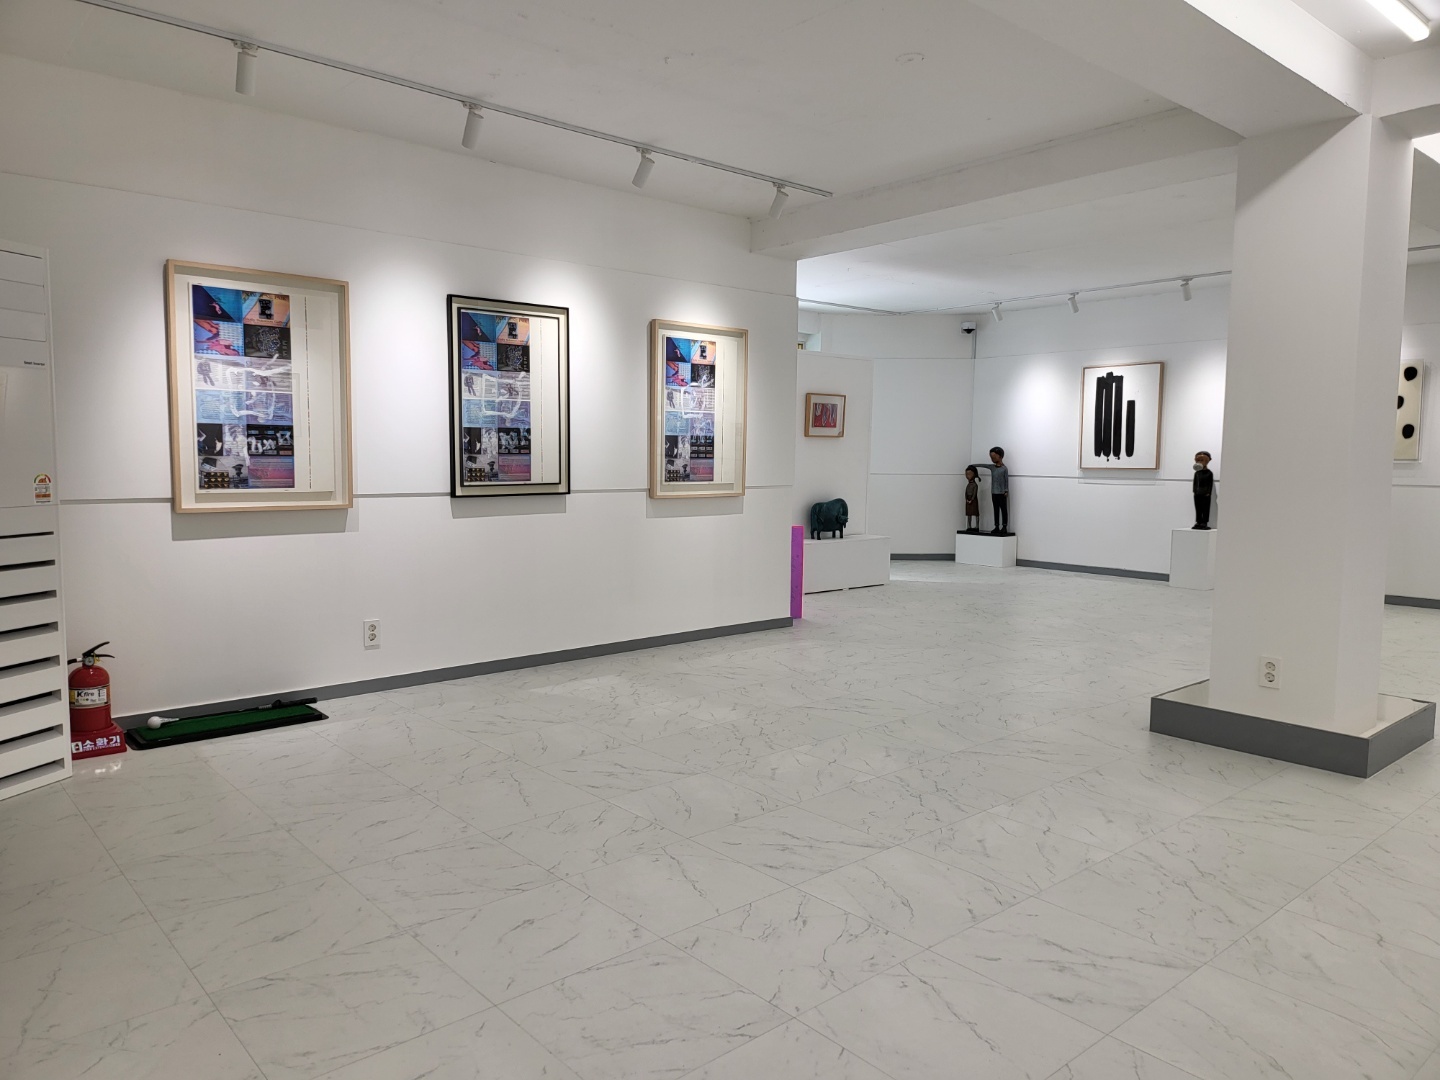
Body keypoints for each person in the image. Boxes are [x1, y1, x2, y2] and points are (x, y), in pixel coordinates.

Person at [969, 447, 1011, 535]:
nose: (992, 459)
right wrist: (972, 465)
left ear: (1000, 456)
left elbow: (1006, 480)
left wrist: (1006, 490)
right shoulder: (992, 467)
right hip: (994, 492)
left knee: (1003, 510)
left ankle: (1004, 526)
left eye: (994, 457)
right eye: (991, 457)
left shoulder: (1004, 469)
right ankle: (996, 526)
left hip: (1002, 493)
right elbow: (982, 465)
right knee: (996, 509)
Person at [1193, 451, 1214, 529]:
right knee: (1198, 508)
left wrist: (1208, 492)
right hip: (1197, 493)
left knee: (1205, 508)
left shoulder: (1209, 473)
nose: (1199, 462)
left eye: (1202, 460)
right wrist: (1195, 491)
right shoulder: (1197, 473)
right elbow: (1195, 483)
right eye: (1198, 460)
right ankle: (1198, 521)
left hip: (1205, 494)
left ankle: (1204, 522)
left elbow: (1210, 484)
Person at [963, 466, 981, 533]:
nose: (967, 476)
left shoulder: (975, 485)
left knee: (975, 513)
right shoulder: (968, 485)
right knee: (969, 514)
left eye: (969, 474)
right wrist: (966, 499)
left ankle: (977, 526)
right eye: (966, 474)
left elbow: (974, 493)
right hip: (968, 499)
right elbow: (966, 492)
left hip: (973, 500)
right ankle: (969, 526)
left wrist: (972, 499)